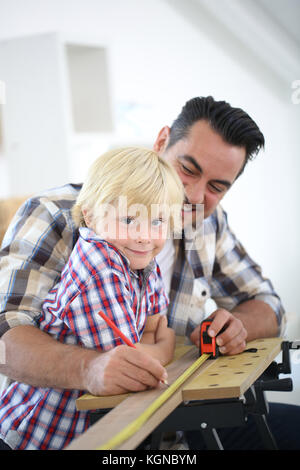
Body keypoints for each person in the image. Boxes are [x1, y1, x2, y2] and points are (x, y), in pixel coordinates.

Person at [0, 96, 297, 450]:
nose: (195, 196)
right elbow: (5, 335)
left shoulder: (207, 223)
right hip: (69, 434)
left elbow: (269, 305)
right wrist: (87, 369)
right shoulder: (55, 213)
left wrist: (233, 325)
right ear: (160, 142)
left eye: (217, 187)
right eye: (188, 169)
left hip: (175, 423)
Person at [0, 146, 184, 449]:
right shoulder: (98, 264)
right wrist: (163, 348)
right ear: (90, 215)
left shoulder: (143, 259)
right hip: (37, 437)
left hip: (90, 431)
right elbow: (134, 364)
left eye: (157, 222)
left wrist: (156, 345)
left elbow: (154, 328)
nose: (144, 236)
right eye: (129, 220)